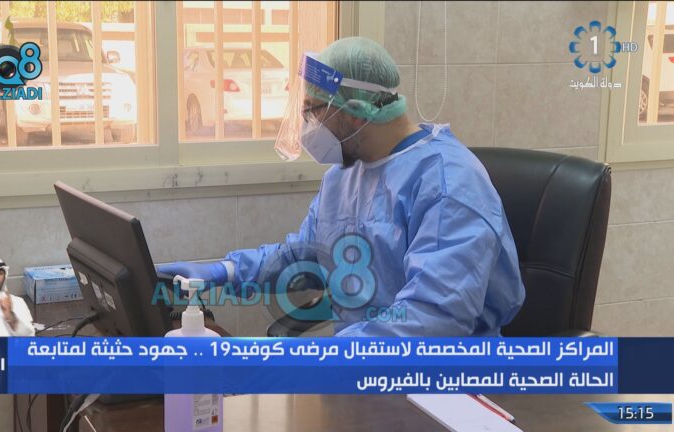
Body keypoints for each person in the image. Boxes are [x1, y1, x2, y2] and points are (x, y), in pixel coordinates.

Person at [157, 37, 525, 337]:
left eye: (312, 111)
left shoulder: (449, 183)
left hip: (441, 382)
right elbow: (304, 256)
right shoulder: (343, 176)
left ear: (354, 111)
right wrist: (224, 271)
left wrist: (330, 357)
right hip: (360, 371)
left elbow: (434, 318)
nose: (307, 126)